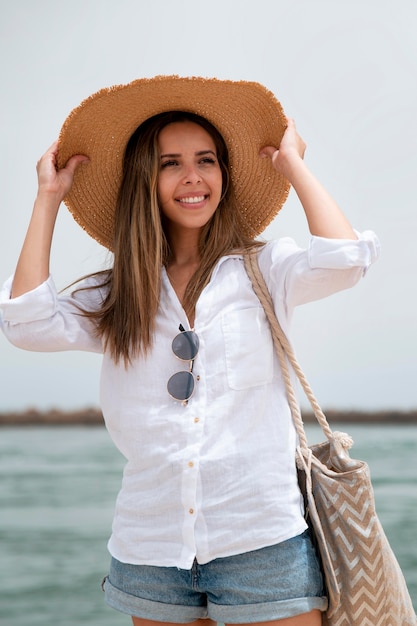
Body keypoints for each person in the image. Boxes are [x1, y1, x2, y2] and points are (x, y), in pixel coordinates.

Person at [0, 76, 380, 626]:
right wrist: (48, 198)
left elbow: (345, 261)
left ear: (224, 174)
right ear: (144, 179)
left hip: (262, 543)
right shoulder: (120, 290)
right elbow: (26, 324)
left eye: (206, 160)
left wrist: (292, 165)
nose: (193, 177)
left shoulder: (265, 269)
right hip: (149, 550)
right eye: (170, 163)